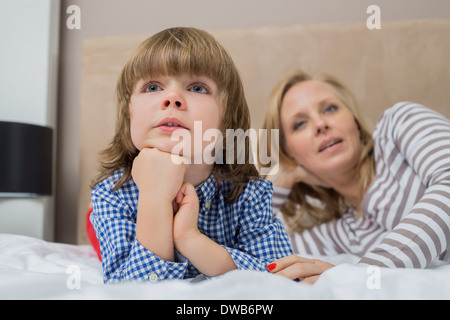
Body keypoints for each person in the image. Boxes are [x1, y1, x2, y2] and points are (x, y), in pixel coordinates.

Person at [89, 27, 293, 283]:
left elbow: (282, 278)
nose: (172, 98)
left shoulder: (249, 195)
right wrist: (155, 200)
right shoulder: (111, 195)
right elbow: (128, 291)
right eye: (152, 87)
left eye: (197, 88)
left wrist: (189, 238)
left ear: (226, 119)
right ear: (128, 113)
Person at [261, 70, 450, 283]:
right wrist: (282, 177)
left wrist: (363, 274)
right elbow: (247, 249)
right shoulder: (343, 234)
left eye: (330, 109)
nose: (320, 124)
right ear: (291, 154)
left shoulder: (398, 124)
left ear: (355, 122)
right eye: (300, 124)